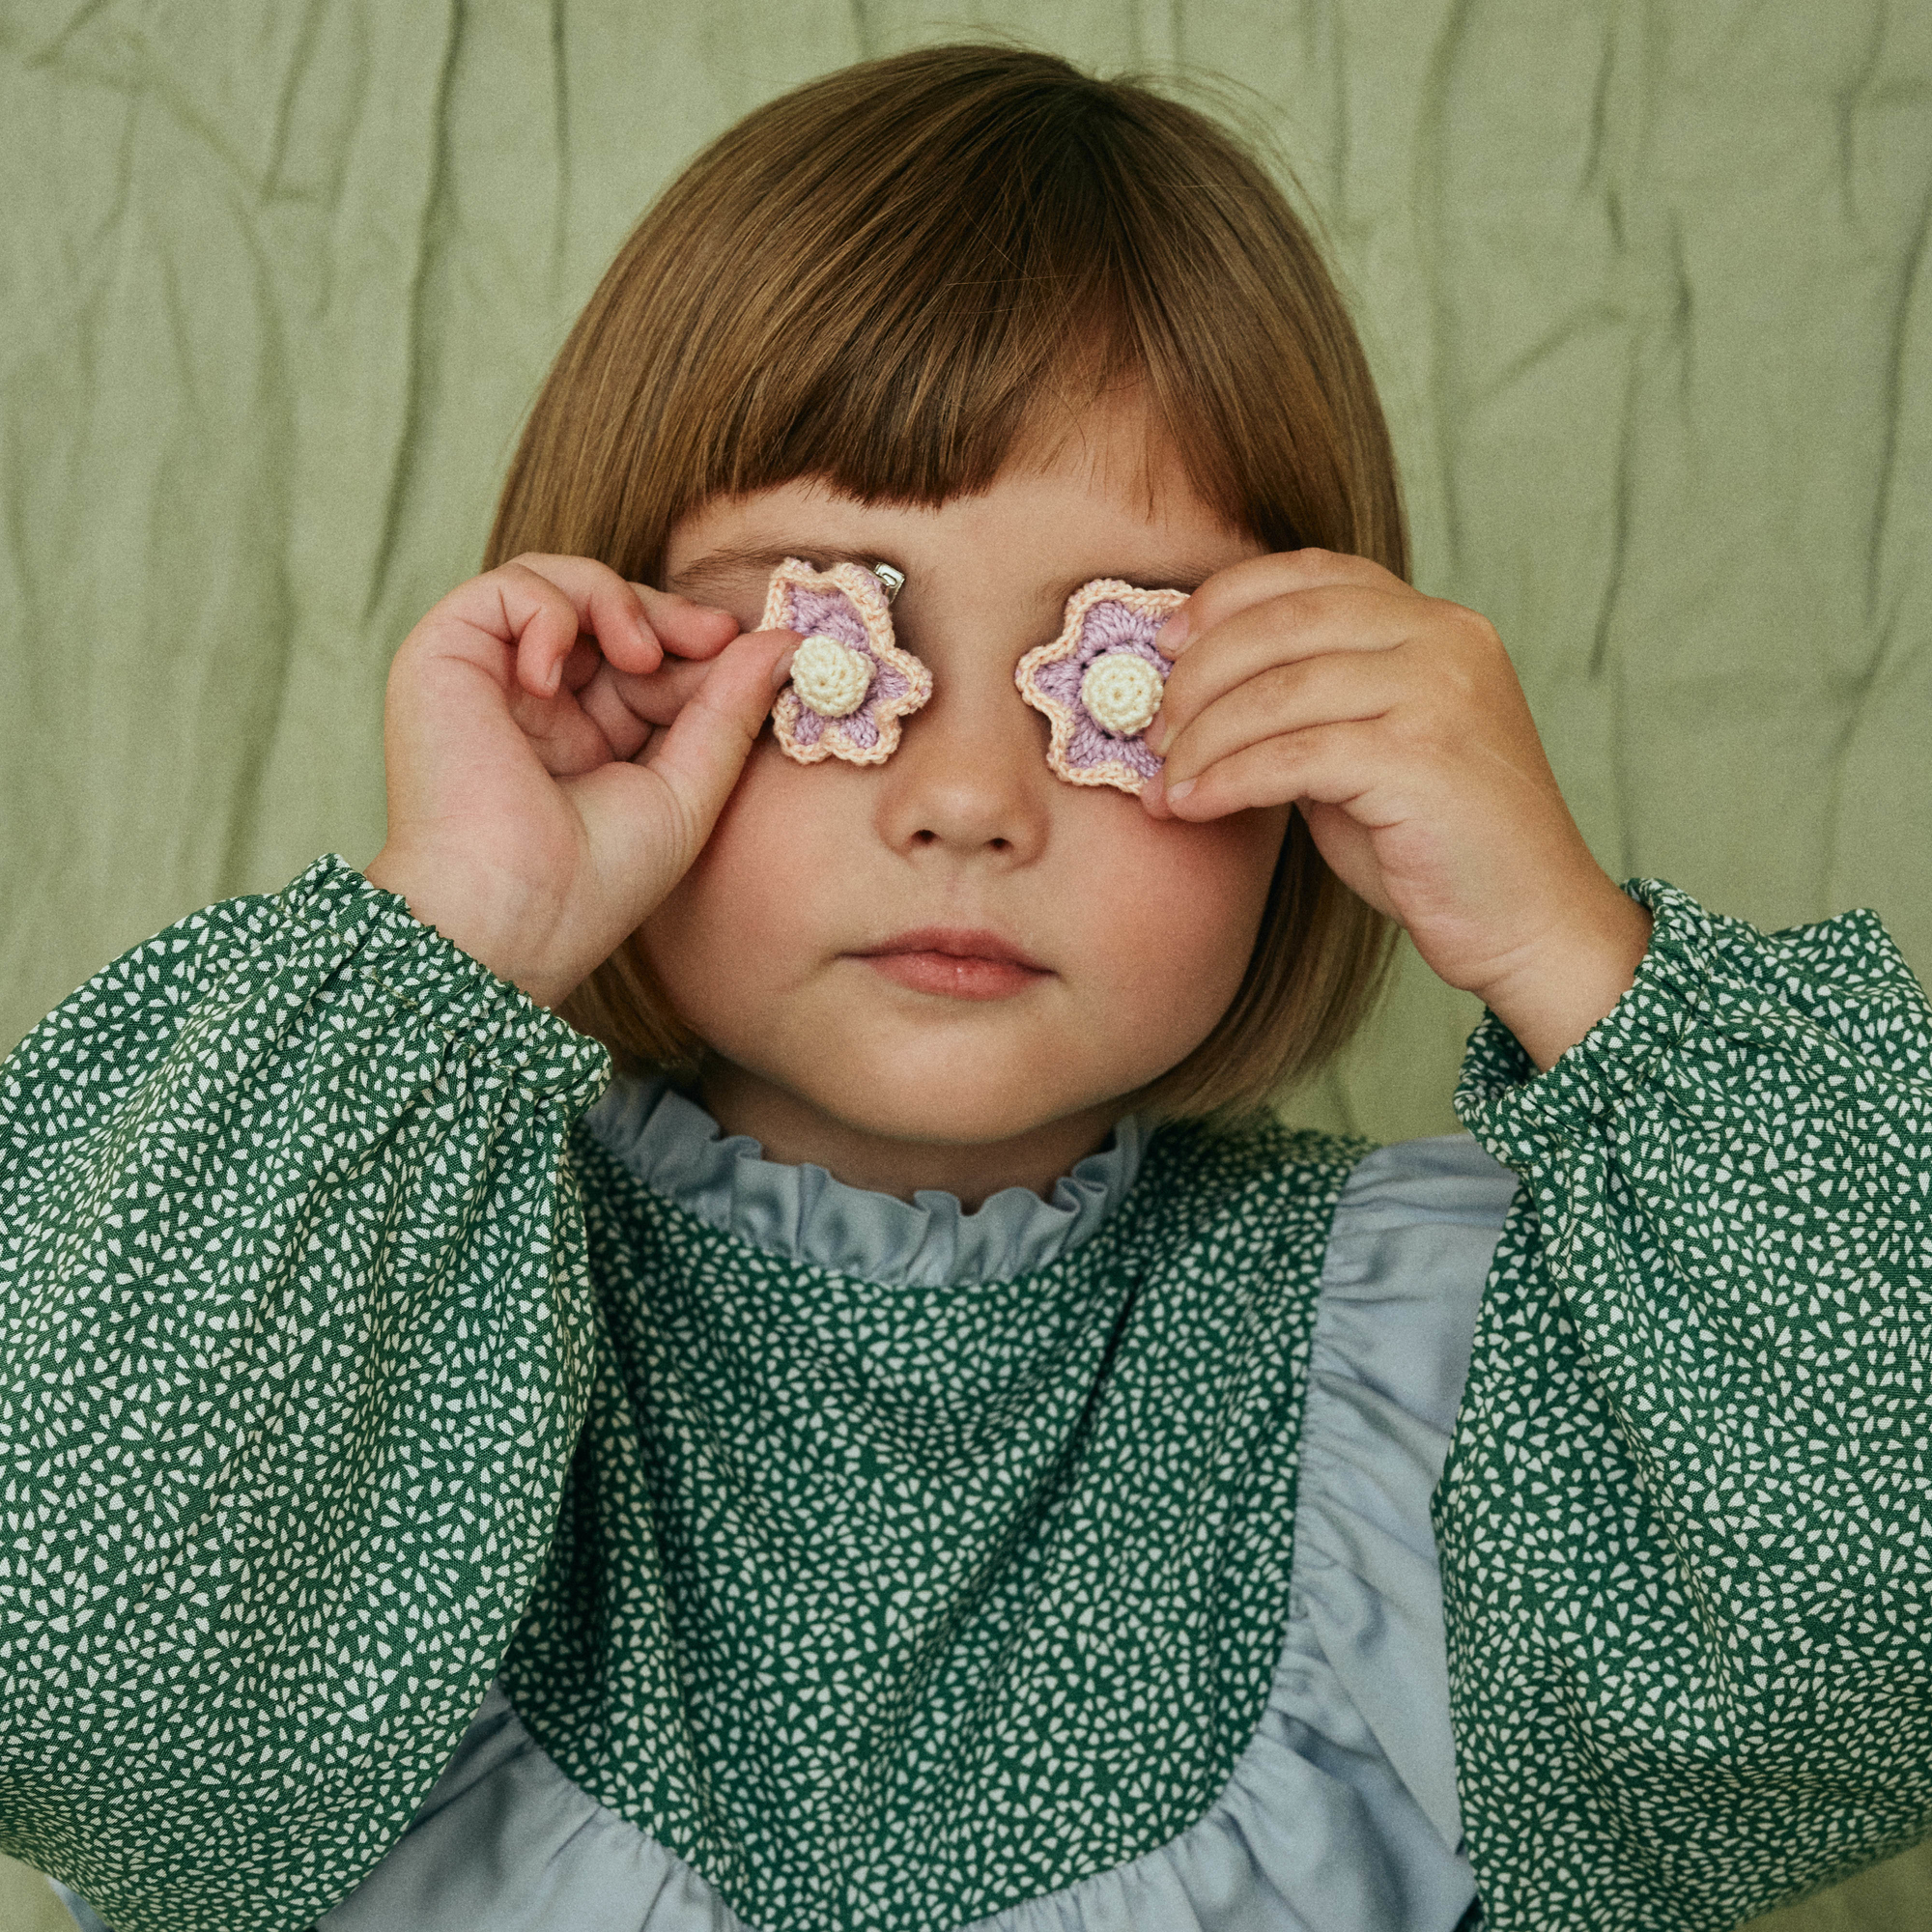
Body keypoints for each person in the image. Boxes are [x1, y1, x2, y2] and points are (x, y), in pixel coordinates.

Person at [4, 42, 1928, 1932]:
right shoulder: (340, 1317)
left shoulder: (1473, 1376)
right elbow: (63, 1677)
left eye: (1126, 671)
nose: (966, 801)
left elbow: (1869, 1654)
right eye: (824, 640)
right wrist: (459, 933)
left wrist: (1573, 951)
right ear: (609, 645)